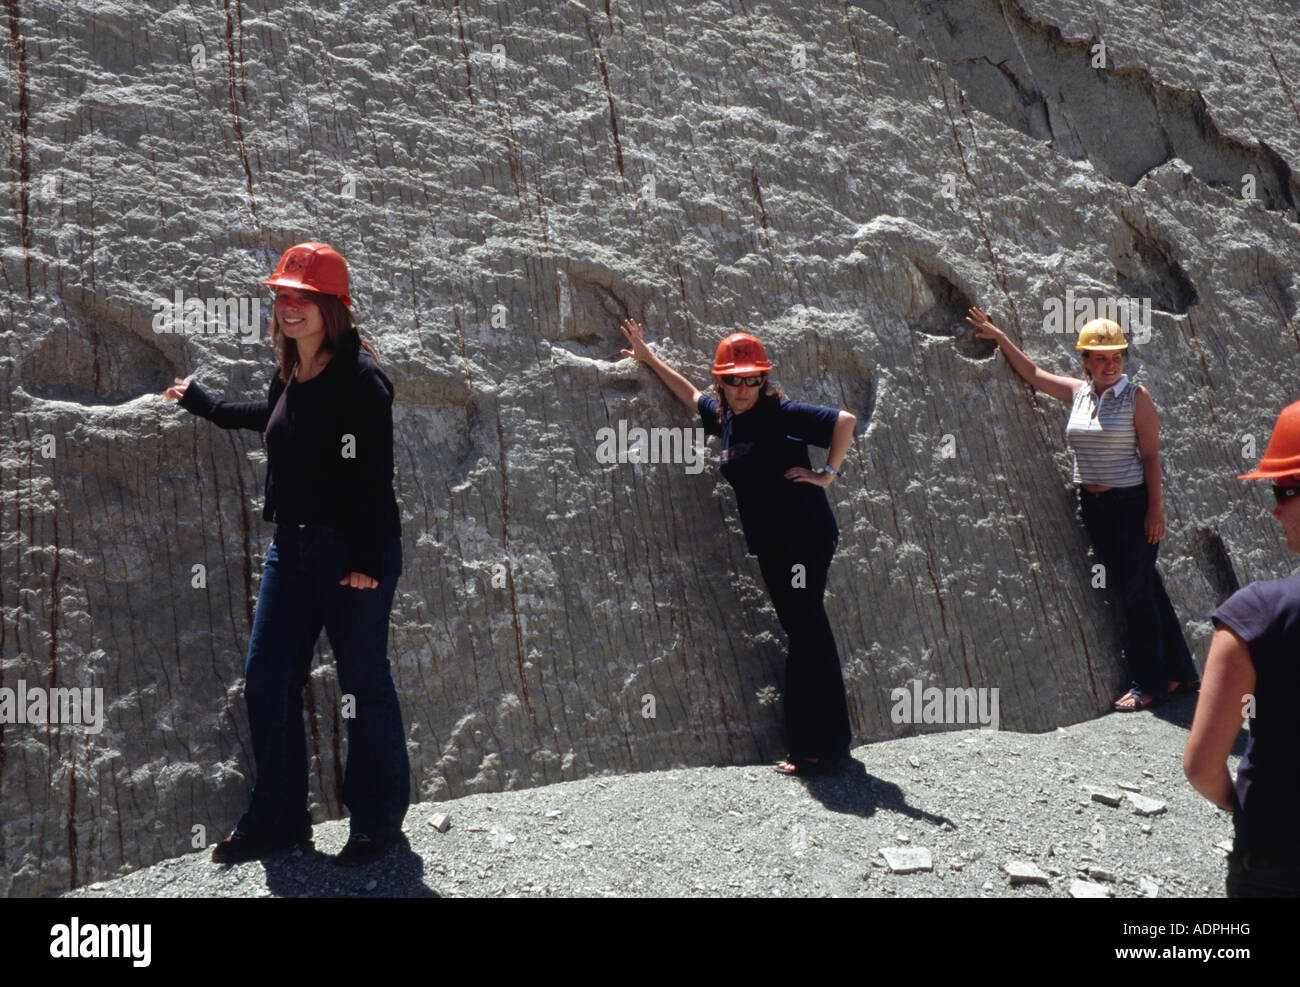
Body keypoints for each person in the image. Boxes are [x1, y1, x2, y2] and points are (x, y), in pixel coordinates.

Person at [163, 242, 407, 866]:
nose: (288, 307)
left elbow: (376, 478)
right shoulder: (292, 371)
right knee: (268, 677)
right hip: (292, 548)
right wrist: (207, 404)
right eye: (281, 296)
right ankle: (279, 820)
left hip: (352, 551)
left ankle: (377, 823)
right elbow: (272, 415)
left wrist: (368, 561)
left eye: (302, 297)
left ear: (334, 306)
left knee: (363, 683)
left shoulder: (362, 378)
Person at [618, 319, 857, 775]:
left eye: (752, 380)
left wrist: (828, 473)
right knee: (807, 632)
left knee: (805, 634)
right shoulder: (726, 420)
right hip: (772, 544)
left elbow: (844, 421)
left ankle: (814, 751)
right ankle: (832, 745)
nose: (743, 388)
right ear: (723, 383)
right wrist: (649, 359)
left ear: (763, 381)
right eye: (734, 381)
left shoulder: (783, 415)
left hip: (803, 537)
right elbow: (690, 396)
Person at [966, 308, 1199, 711]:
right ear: (1086, 361)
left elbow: (1151, 457)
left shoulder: (1136, 397)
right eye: (1101, 357)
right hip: (1094, 505)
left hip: (1131, 506)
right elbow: (1035, 374)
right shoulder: (1079, 392)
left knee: (1135, 593)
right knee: (1145, 586)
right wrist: (1002, 339)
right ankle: (1180, 673)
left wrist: (1155, 509)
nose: (1110, 365)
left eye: (1117, 357)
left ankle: (1149, 684)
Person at [1184, 400, 1300, 897]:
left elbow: (1203, 766)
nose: (1275, 507)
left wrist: (1246, 805)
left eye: (1283, 489)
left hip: (1278, 863)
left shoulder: (1257, 615)